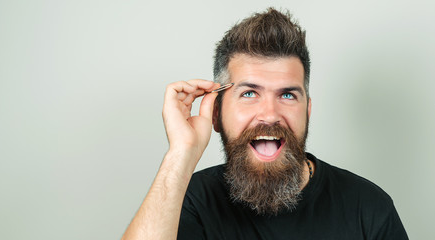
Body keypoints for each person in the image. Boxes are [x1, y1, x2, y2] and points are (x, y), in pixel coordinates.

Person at [122, 7, 408, 240]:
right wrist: (181, 153)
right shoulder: (190, 200)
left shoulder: (368, 207)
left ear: (307, 111)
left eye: (287, 94)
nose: (269, 114)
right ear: (216, 113)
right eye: (249, 93)